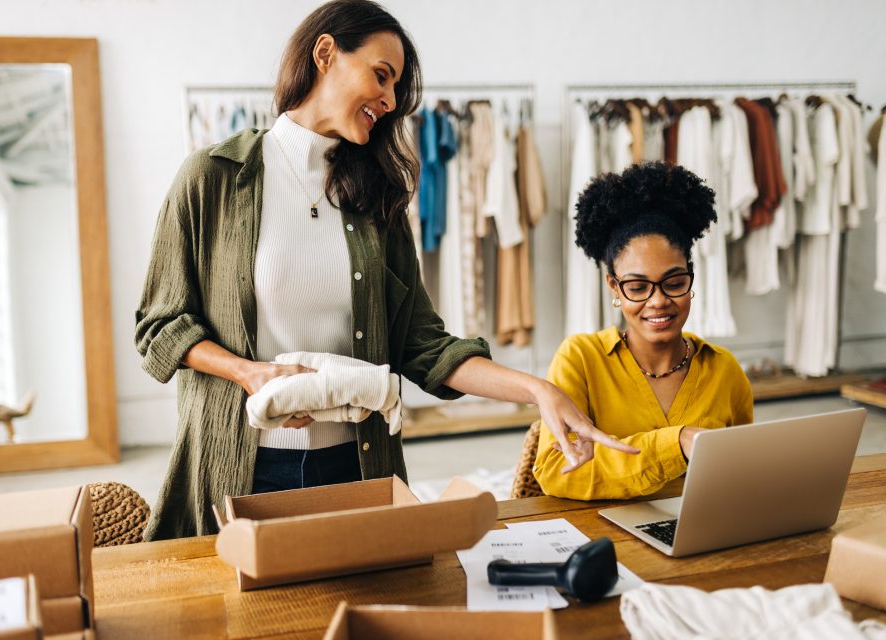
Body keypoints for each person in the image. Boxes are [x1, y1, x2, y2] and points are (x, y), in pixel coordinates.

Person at [135, 0, 636, 540]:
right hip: (243, 470)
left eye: (396, 87)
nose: (391, 100)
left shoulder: (376, 203)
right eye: (381, 75)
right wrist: (250, 374)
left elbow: (423, 346)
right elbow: (160, 326)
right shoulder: (211, 179)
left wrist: (539, 391)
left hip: (358, 466)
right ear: (325, 53)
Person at [533, 162, 754, 500]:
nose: (659, 301)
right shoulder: (581, 359)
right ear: (614, 287)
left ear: (691, 278)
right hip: (606, 540)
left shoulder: (724, 370)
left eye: (674, 282)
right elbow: (556, 473)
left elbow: (742, 475)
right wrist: (676, 443)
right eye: (637, 287)